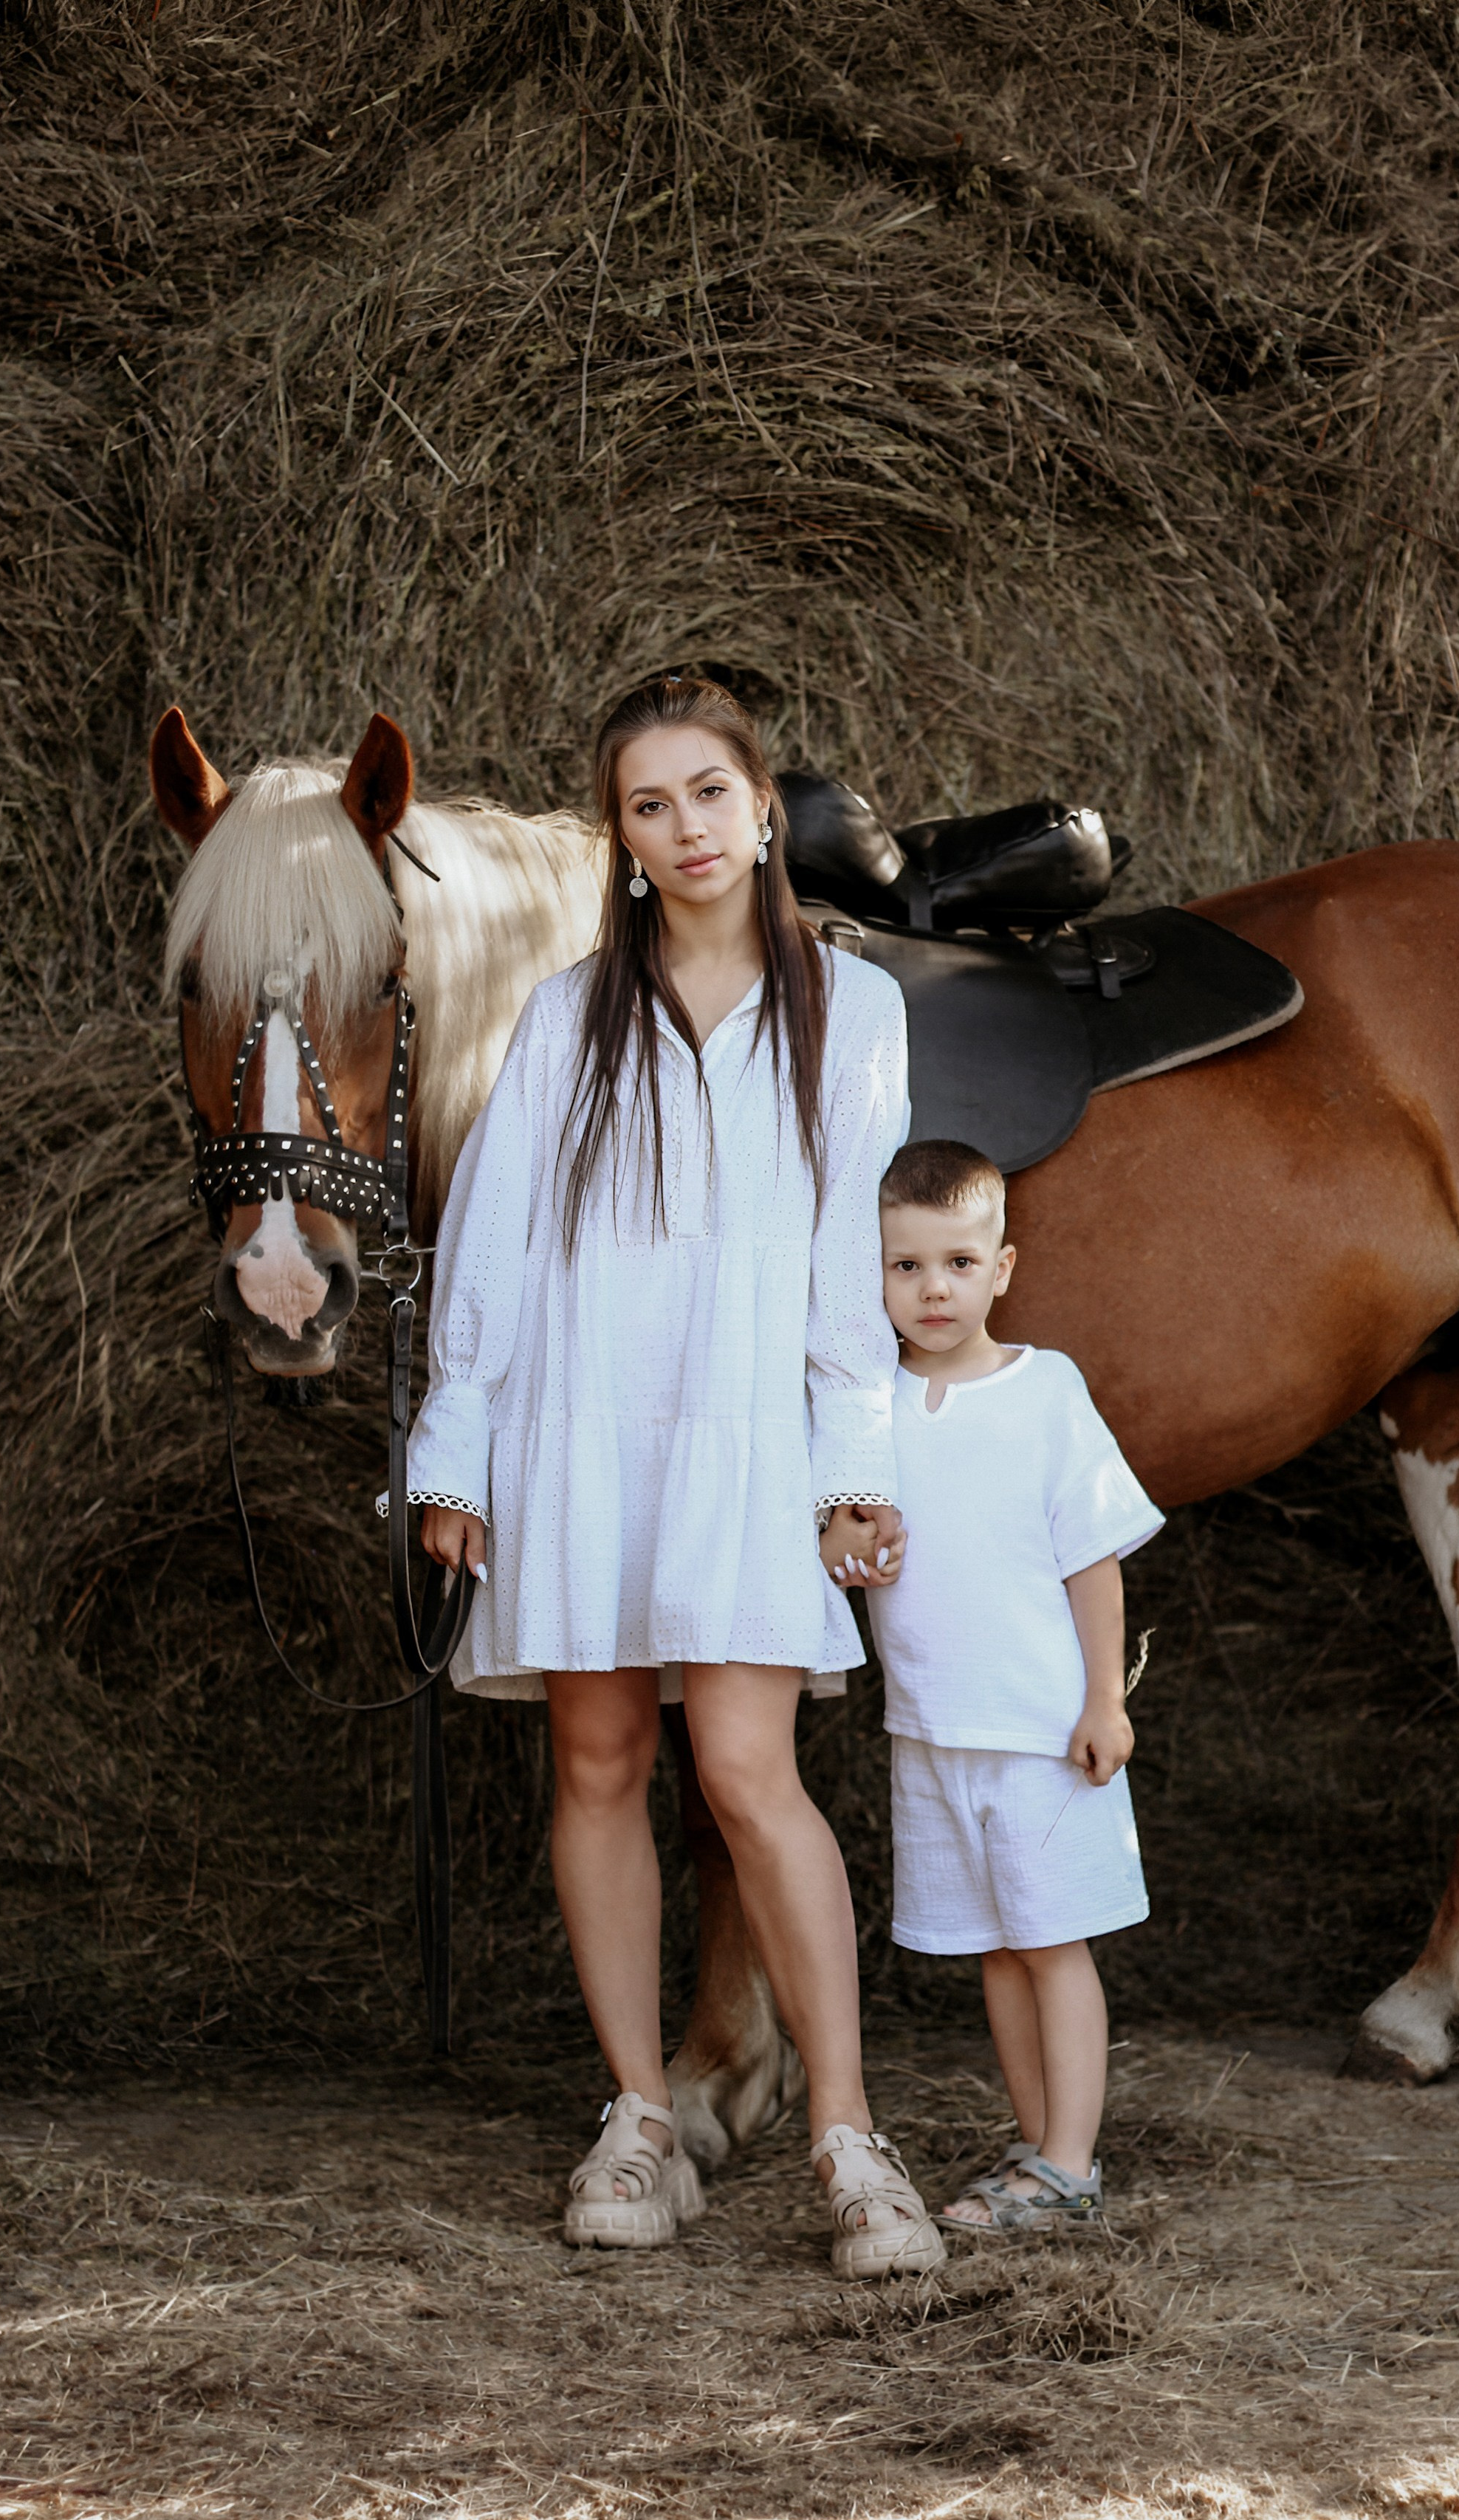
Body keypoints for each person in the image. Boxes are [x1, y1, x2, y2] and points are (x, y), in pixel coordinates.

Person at [408, 673, 944, 2279]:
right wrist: (458, 1452)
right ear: (620, 839)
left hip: (744, 1437)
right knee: (591, 1766)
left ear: (763, 807)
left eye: (708, 793)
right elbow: (491, 1245)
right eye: (648, 805)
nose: (685, 829)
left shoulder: (853, 1013)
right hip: (581, 1426)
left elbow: (853, 1271)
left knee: (742, 1769)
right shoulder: (567, 1014)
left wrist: (853, 1466)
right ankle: (638, 2114)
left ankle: (846, 2130)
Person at [851, 1138, 1164, 2235]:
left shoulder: (1046, 1393)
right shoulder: (865, 1406)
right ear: (873, 1272)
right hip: (932, 1731)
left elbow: (1094, 1558)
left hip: (1037, 1727)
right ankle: (1037, 2155)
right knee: (993, 1949)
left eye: (958, 1263)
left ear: (1003, 1268)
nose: (934, 1290)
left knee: (1050, 1942)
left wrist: (1102, 1701)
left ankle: (1071, 2164)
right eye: (905, 1267)